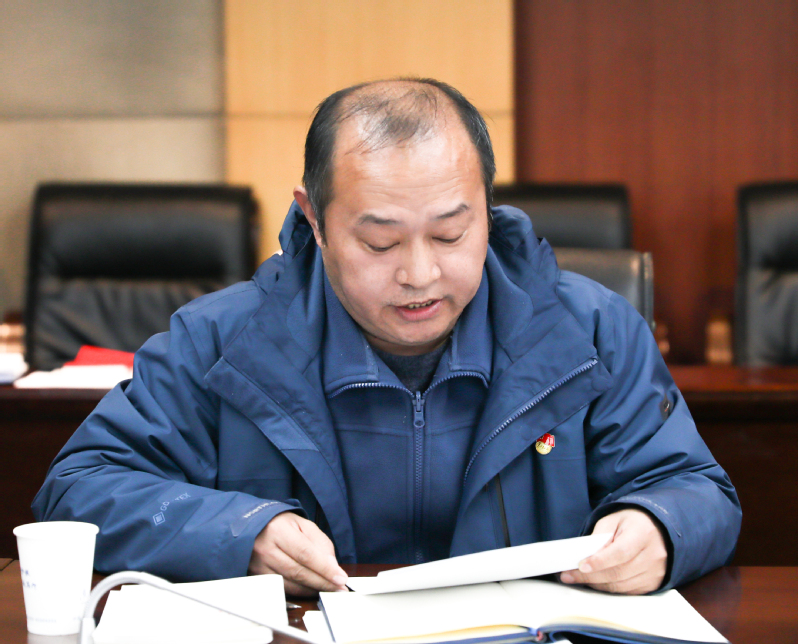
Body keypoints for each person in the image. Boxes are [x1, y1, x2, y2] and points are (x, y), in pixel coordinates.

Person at [33, 78, 741, 598]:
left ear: (487, 210)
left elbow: (695, 487)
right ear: (314, 219)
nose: (420, 274)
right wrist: (238, 532)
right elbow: (77, 489)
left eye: (451, 234)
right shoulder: (221, 342)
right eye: (380, 243)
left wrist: (659, 528)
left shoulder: (589, 331)